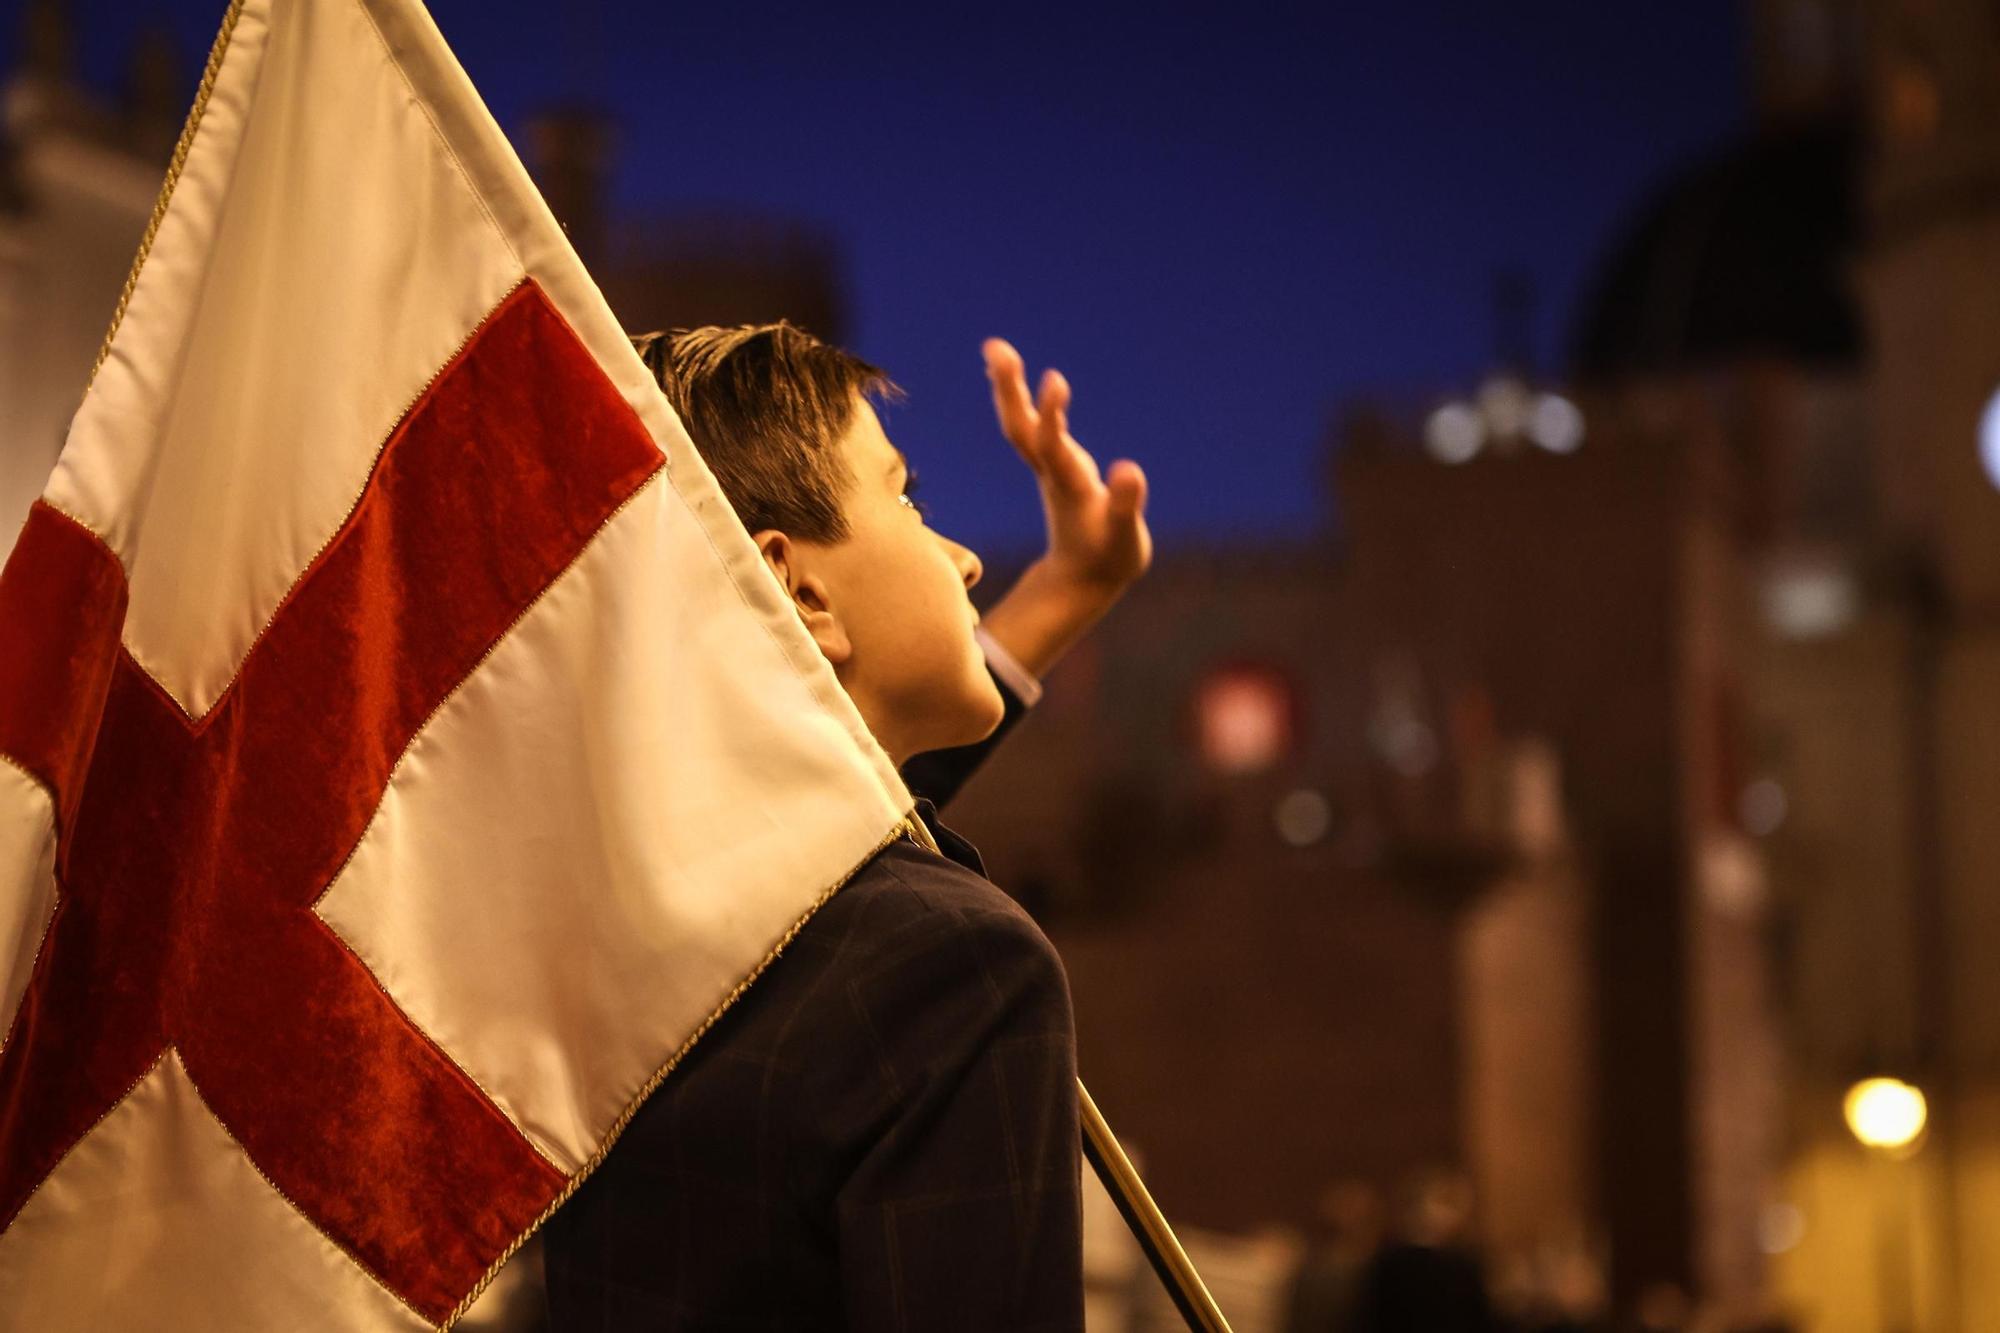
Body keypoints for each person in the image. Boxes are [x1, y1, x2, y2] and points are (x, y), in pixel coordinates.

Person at [540, 322, 1151, 1329]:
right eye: (906, 497)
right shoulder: (957, 967)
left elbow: (829, 827)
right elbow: (875, 920)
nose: (960, 559)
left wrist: (1066, 587)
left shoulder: (634, 913)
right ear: (795, 586)